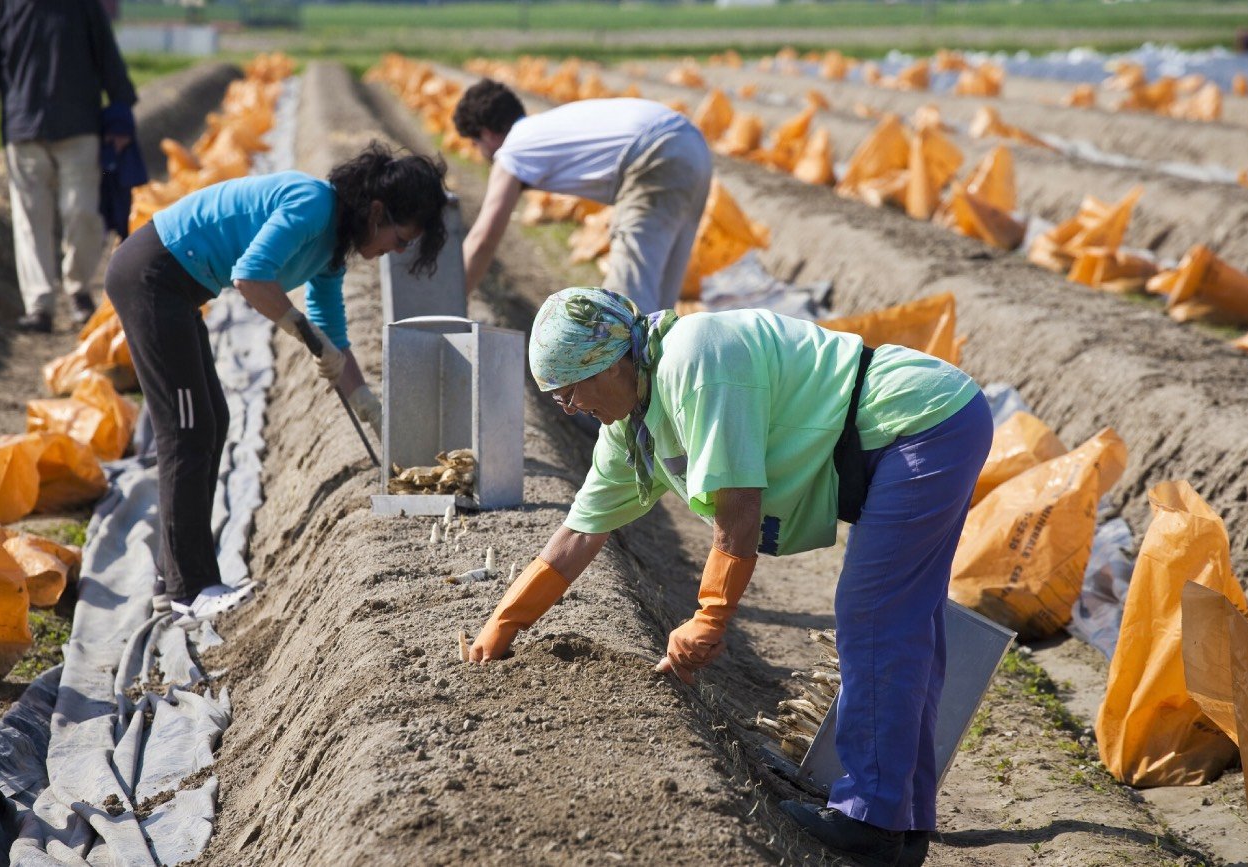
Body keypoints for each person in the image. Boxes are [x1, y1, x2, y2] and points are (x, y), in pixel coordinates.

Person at [467, 288, 994, 867]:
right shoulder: (634, 426)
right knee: (901, 617)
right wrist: (504, 622)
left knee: (874, 613)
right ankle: (901, 817)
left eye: (569, 389)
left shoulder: (695, 360)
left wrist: (709, 618)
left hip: (919, 422)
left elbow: (739, 510)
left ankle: (870, 818)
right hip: (920, 427)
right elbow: (580, 533)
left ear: (612, 363)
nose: (566, 406)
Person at [104, 142, 448, 626]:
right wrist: (304, 333)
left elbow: (333, 334)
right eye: (401, 238)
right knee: (186, 431)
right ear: (377, 212)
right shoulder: (311, 205)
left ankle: (172, 577)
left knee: (211, 421)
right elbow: (250, 276)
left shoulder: (332, 249)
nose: (396, 250)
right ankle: (191, 590)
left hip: (178, 288)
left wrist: (366, 401)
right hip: (152, 276)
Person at [454, 79, 712, 315]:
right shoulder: (541, 129)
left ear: (487, 134)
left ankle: (628, 363)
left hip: (655, 153)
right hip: (692, 143)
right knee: (661, 306)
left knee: (628, 303)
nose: (480, 154)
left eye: (475, 145)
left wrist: (449, 303)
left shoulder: (513, 149)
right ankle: (658, 363)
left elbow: (483, 239)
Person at [0, 0, 138, 333]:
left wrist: (120, 118)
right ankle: (40, 305)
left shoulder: (82, 7)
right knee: (31, 220)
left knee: (83, 213)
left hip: (80, 129)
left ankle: (78, 289)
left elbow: (109, 60)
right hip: (23, 131)